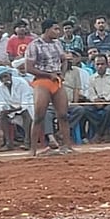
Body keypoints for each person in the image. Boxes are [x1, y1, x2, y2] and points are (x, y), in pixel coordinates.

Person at [25, 19, 72, 155]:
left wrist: (61, 74)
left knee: (63, 115)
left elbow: (64, 60)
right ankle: (33, 149)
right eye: (55, 29)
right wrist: (47, 75)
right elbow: (29, 68)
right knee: (39, 116)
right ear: (47, 30)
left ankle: (67, 146)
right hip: (41, 81)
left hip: (56, 80)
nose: (58, 32)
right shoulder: (34, 45)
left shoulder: (57, 44)